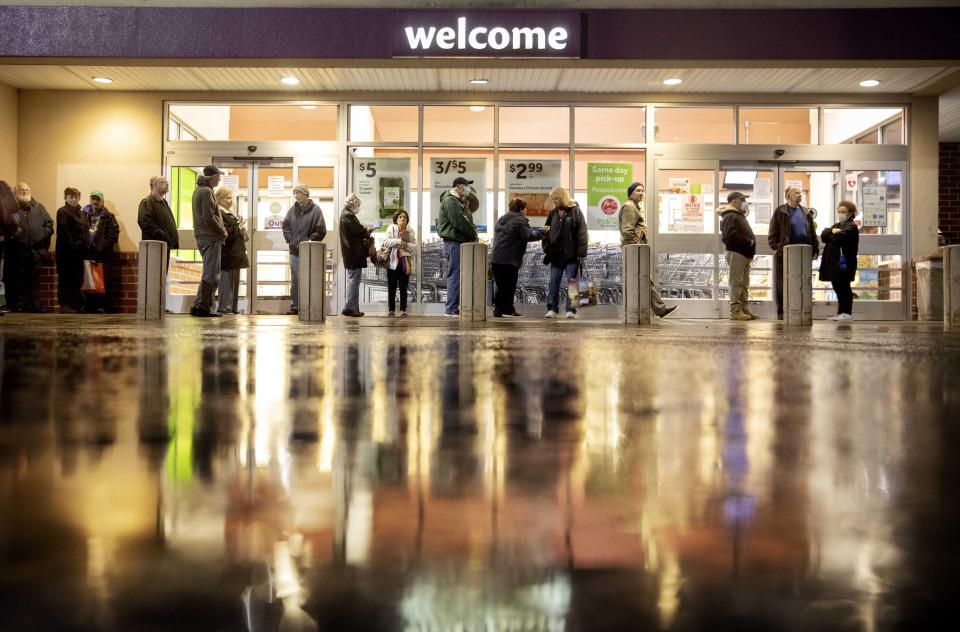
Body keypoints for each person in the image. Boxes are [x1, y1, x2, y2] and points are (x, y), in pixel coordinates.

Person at [619, 181, 678, 319]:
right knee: (644, 280)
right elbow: (627, 231)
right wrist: (637, 246)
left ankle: (657, 309)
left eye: (642, 191)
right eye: (637, 191)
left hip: (635, 249)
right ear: (630, 193)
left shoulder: (634, 207)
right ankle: (657, 310)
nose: (641, 193)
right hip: (634, 250)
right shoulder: (629, 207)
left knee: (645, 280)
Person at [489, 198, 548, 318]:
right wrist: (543, 231)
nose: (526, 211)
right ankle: (506, 310)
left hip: (496, 257)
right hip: (509, 258)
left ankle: (501, 310)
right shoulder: (519, 220)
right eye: (525, 208)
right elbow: (529, 235)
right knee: (509, 285)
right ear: (521, 208)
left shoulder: (502, 219)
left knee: (501, 285)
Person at [768, 186, 819, 320]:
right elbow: (772, 233)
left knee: (803, 281)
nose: (799, 195)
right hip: (785, 254)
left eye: (800, 193)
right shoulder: (781, 211)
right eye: (796, 193)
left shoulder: (805, 212)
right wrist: (778, 248)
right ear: (788, 195)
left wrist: (815, 249)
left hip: (803, 253)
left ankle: (801, 310)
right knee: (783, 283)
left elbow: (812, 233)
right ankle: (783, 312)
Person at [2, 182, 53, 313]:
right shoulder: (11, 208)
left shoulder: (39, 207)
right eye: (22, 190)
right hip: (16, 251)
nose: (25, 192)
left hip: (35, 251)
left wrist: (42, 234)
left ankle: (35, 305)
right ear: (15, 192)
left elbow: (49, 224)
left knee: (35, 280)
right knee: (19, 279)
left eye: (27, 190)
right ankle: (19, 305)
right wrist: (14, 236)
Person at [281, 184, 327, 316]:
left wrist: (309, 241)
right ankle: (295, 306)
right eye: (294, 193)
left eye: (298, 193)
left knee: (309, 279)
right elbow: (285, 226)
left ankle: (309, 306)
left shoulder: (316, 210)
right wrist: (290, 240)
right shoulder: (292, 210)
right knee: (296, 279)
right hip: (294, 251)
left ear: (305, 194)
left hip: (309, 252)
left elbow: (321, 230)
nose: (295, 196)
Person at [542, 187, 588, 319]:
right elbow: (546, 231)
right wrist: (546, 247)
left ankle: (571, 310)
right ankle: (552, 309)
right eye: (553, 199)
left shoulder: (575, 211)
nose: (555, 201)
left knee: (572, 282)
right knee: (553, 282)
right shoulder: (552, 213)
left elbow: (582, 232)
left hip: (571, 255)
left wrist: (581, 252)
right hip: (555, 255)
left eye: (557, 198)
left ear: (563, 198)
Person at [436, 176, 478, 317]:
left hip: (457, 242)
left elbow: (465, 220)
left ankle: (454, 307)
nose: (468, 190)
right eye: (466, 186)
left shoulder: (458, 202)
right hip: (453, 242)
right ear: (459, 186)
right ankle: (451, 308)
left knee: (457, 274)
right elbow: (458, 222)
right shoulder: (450, 201)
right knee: (455, 275)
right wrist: (473, 234)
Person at [190, 165, 226, 317]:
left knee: (209, 273)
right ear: (213, 176)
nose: (220, 179)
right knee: (211, 274)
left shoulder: (200, 190)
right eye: (219, 176)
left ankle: (199, 305)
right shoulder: (206, 191)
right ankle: (203, 307)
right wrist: (222, 231)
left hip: (204, 236)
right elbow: (209, 217)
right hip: (210, 237)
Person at [718, 191, 758, 321]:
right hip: (737, 253)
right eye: (742, 200)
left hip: (743, 253)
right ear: (734, 201)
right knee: (736, 282)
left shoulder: (736, 215)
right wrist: (748, 242)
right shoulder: (730, 216)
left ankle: (743, 309)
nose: (744, 203)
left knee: (743, 283)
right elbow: (730, 236)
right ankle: (735, 311)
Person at [81, 191, 120, 314]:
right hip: (86, 253)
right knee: (87, 280)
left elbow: (113, 234)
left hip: (102, 255)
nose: (95, 201)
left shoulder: (109, 216)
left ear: (102, 201)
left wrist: (101, 247)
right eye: (93, 199)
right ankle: (87, 306)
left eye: (98, 199)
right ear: (90, 200)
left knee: (102, 280)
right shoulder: (82, 215)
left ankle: (100, 305)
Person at [820, 200, 860, 321]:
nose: (840, 214)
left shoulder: (852, 226)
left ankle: (847, 312)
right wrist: (832, 231)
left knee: (844, 288)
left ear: (850, 213)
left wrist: (831, 234)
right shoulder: (836, 226)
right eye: (839, 212)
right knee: (838, 288)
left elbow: (839, 238)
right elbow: (823, 236)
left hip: (844, 264)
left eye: (843, 212)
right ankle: (840, 312)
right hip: (834, 264)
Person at [214, 187, 249, 315]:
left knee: (234, 282)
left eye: (231, 198)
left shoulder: (230, 213)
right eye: (227, 198)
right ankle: (224, 307)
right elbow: (225, 232)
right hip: (227, 253)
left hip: (235, 253)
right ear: (220, 199)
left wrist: (240, 228)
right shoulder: (220, 213)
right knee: (226, 282)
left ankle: (232, 307)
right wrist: (237, 227)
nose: (230, 201)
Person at [55, 187, 88, 313]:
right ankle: (65, 305)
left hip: (79, 253)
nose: (74, 199)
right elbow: (65, 233)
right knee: (65, 279)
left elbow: (85, 230)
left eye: (76, 196)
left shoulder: (82, 213)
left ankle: (75, 304)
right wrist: (75, 246)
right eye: (71, 197)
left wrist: (84, 246)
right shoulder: (62, 212)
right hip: (66, 254)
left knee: (77, 279)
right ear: (65, 198)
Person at [137, 175, 179, 270]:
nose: (167, 184)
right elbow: (144, 222)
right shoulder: (147, 202)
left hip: (164, 246)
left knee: (162, 276)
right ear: (153, 185)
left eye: (166, 182)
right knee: (155, 277)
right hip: (155, 247)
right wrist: (161, 234)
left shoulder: (163, 202)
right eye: (162, 182)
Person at [339, 193, 370, 317]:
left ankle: (355, 309)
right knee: (353, 280)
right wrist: (367, 230)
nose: (359, 208)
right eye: (358, 205)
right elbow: (359, 231)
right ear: (354, 205)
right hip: (353, 253)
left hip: (352, 253)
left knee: (355, 281)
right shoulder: (348, 215)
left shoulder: (346, 215)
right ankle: (348, 307)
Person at [383, 209, 416, 317]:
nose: (402, 219)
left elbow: (414, 247)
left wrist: (406, 245)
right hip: (392, 262)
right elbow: (386, 242)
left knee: (403, 287)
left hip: (404, 263)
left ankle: (403, 310)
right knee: (391, 287)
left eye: (404, 217)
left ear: (407, 220)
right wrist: (398, 241)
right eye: (400, 217)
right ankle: (391, 310)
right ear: (396, 219)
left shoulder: (410, 231)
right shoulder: (391, 228)